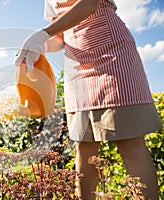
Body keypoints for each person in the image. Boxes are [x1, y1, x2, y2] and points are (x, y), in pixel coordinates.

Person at [14, 0, 162, 199]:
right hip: (77, 69)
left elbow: (90, 3)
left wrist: (43, 33)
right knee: (83, 148)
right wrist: (38, 46)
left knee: (130, 144)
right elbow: (59, 38)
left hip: (113, 57)